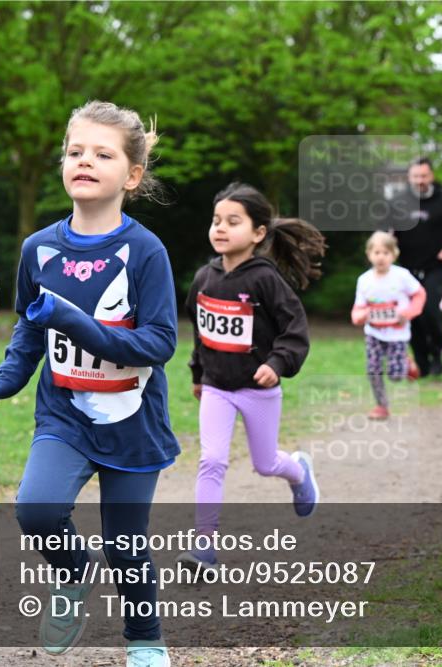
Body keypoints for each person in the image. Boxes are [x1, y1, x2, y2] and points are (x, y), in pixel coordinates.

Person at [0, 101, 177, 666]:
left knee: (126, 545)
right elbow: (28, 337)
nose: (84, 161)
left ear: (131, 176)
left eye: (102, 154)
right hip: (64, 417)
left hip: (133, 423)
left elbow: (160, 344)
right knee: (36, 511)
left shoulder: (145, 251)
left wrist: (80, 324)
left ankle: (145, 642)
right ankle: (73, 573)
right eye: (75, 151)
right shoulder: (38, 248)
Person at [179, 182, 325, 571]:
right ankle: (204, 549)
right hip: (216, 388)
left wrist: (276, 365)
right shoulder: (203, 279)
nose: (220, 228)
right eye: (216, 221)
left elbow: (295, 329)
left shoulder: (265, 279)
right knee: (211, 461)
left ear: (258, 233)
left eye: (233, 221)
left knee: (266, 464)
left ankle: (298, 470)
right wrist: (198, 373)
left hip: (257, 390)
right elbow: (201, 332)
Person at [391, 157, 442, 377]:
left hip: (434, 267)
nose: (420, 180)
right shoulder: (398, 203)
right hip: (407, 270)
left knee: (430, 311)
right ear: (409, 178)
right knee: (413, 317)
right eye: (416, 176)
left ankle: (437, 352)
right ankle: (422, 363)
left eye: (424, 176)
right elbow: (385, 231)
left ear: (432, 176)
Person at [351, 231, 425, 420]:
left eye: (385, 252)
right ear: (369, 254)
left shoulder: (402, 276)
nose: (381, 257)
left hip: (397, 334)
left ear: (394, 254)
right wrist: (360, 316)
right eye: (376, 252)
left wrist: (407, 313)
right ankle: (381, 406)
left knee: (396, 375)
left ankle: (406, 363)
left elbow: (419, 294)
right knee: (373, 369)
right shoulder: (364, 280)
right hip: (373, 333)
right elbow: (358, 308)